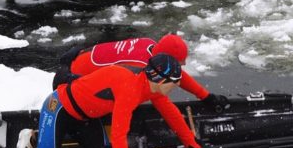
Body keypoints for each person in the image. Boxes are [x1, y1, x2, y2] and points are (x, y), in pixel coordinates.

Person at [12, 54, 207, 148]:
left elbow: (171, 112)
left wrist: (193, 145)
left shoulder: (149, 84)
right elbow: (119, 137)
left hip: (85, 115)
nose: (179, 84)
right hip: (59, 108)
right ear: (161, 81)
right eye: (176, 80)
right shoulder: (130, 90)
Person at [53, 33, 229, 111]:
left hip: (75, 61)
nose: (181, 67)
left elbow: (174, 75)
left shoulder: (149, 44)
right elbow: (161, 100)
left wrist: (205, 96)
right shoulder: (140, 68)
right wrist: (192, 145)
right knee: (129, 98)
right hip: (70, 82)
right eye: (179, 63)